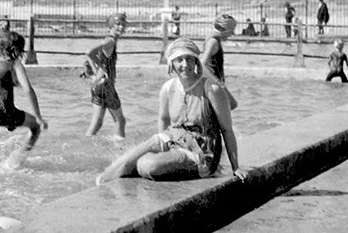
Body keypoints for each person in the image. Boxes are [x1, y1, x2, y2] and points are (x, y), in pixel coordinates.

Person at [95, 37, 248, 185]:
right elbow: (163, 120)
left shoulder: (211, 89)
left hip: (199, 153)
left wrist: (236, 167)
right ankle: (103, 180)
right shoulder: (168, 88)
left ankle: (140, 167)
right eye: (179, 60)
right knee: (132, 156)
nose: (185, 64)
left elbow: (227, 129)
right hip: (173, 139)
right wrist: (164, 149)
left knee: (146, 165)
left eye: (189, 59)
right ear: (171, 64)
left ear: (196, 61)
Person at [0, 31, 48, 167]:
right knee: (36, 127)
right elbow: (28, 90)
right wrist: (39, 117)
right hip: (5, 111)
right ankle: (17, 161)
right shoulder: (15, 64)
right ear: (17, 49)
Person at [84, 12, 127, 138]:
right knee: (120, 121)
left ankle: (85, 146)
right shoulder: (111, 41)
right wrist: (101, 68)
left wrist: (98, 70)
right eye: (118, 24)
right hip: (106, 86)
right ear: (111, 26)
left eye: (123, 25)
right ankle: (120, 150)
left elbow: (92, 55)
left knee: (96, 124)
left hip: (97, 85)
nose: (121, 27)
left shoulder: (109, 40)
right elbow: (89, 52)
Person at [200, 14, 239, 110]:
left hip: (212, 83)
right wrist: (218, 83)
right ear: (224, 29)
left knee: (226, 107)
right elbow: (202, 64)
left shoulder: (212, 39)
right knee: (231, 105)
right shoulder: (213, 42)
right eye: (231, 30)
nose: (232, 34)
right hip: (213, 84)